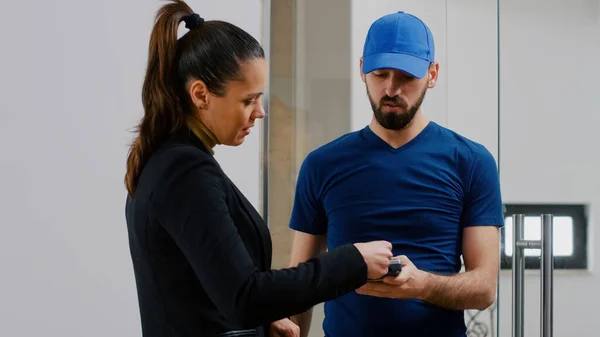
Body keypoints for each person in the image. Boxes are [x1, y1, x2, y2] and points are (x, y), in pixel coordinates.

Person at [123, 1, 395, 337]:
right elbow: (245, 297)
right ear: (200, 94)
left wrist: (261, 326)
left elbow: (203, 293)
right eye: (248, 100)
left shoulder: (172, 162)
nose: (260, 112)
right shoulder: (184, 171)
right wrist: (353, 262)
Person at [285, 11, 504, 337]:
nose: (390, 89)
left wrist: (422, 285)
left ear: (432, 74)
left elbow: (484, 289)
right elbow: (299, 285)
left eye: (406, 76)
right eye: (380, 74)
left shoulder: (471, 161)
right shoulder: (322, 164)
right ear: (362, 69)